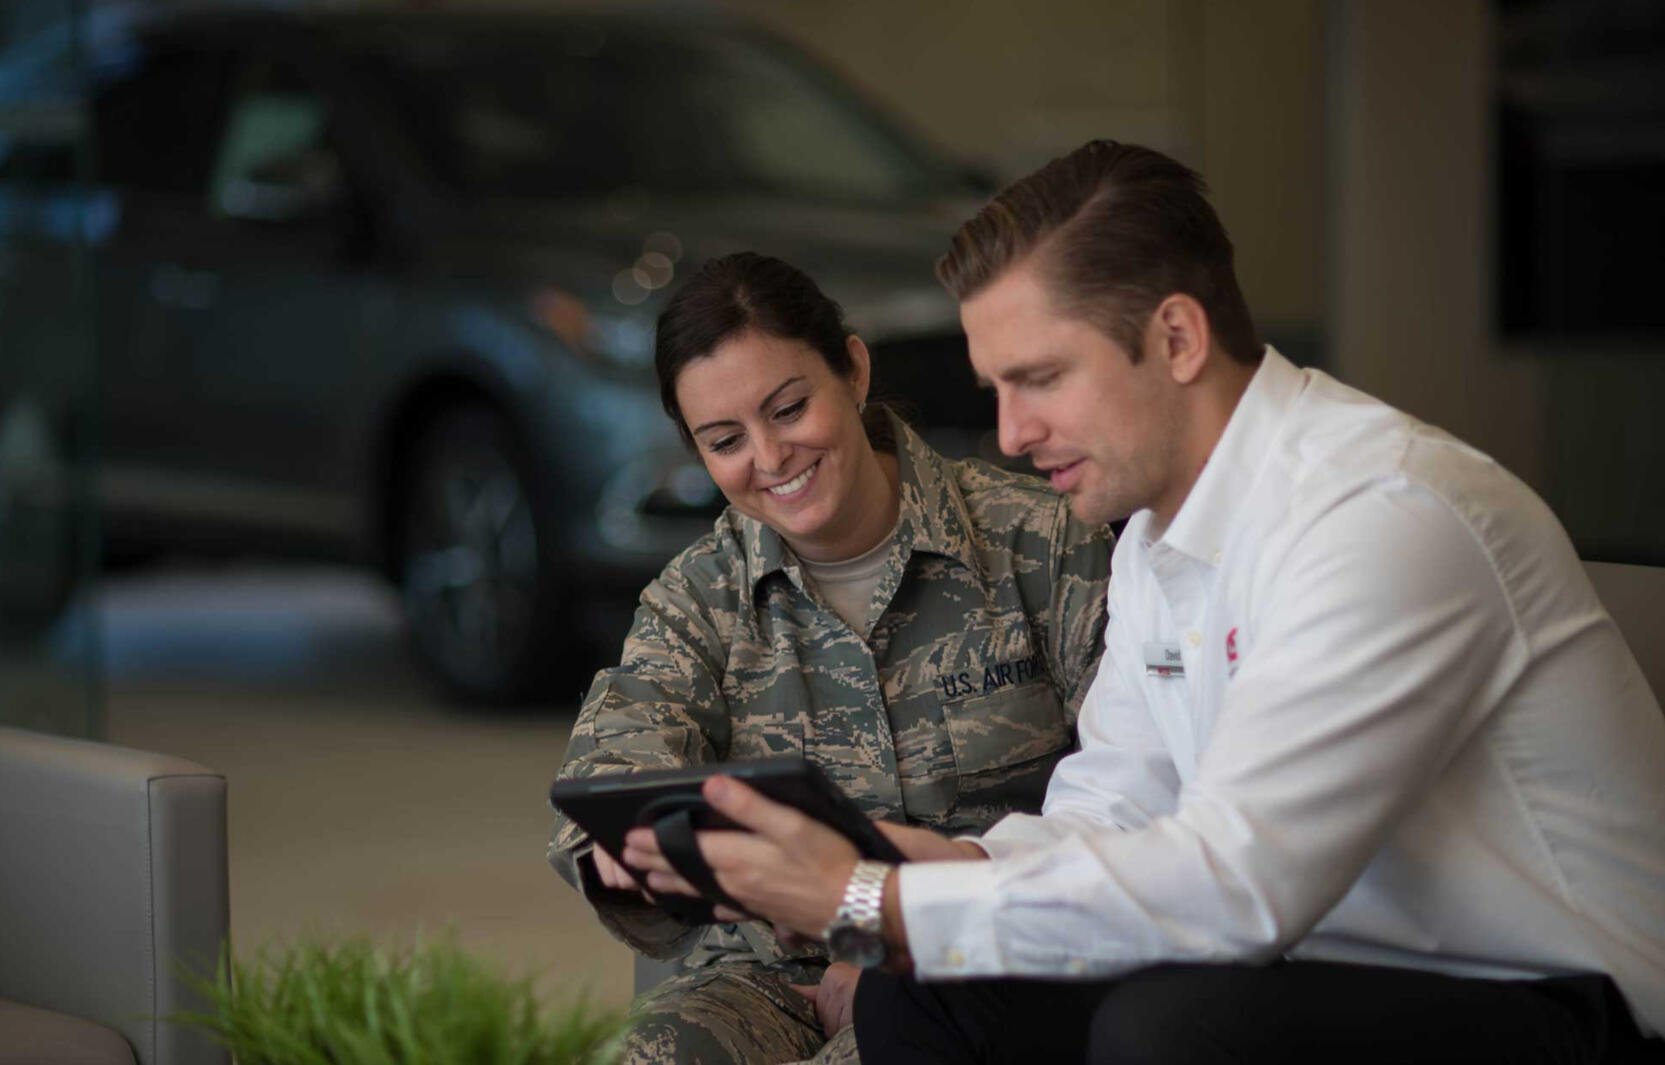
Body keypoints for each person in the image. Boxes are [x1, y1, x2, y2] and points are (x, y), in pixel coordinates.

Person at [619, 142, 1665, 1064]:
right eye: (996, 389)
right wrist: (937, 864)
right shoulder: (1157, 541)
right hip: (1327, 974)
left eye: (1039, 379)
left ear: (1175, 339)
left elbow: (1240, 881)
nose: (1013, 432)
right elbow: (1113, 806)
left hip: (1564, 1003)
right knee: (927, 1000)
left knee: (1175, 1030)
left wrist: (874, 901)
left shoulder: (1380, 514)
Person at [546, 251, 1112, 1065]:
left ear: (851, 369)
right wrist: (624, 851)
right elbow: (609, 770)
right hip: (761, 979)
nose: (770, 458)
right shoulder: (698, 596)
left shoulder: (1043, 544)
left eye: (787, 408)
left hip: (972, 962)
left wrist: (891, 927)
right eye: (724, 439)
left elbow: (1141, 789)